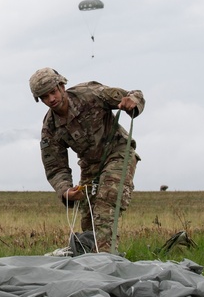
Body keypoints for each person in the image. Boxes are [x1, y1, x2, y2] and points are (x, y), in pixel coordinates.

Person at [29, 67, 145, 255]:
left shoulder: (90, 94)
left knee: (106, 204)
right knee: (89, 219)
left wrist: (132, 102)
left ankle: (105, 263)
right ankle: (90, 265)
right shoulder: (50, 128)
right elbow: (55, 167)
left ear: (62, 86)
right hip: (90, 166)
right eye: (44, 97)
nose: (51, 99)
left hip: (118, 152)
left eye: (53, 92)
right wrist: (65, 191)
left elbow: (133, 95)